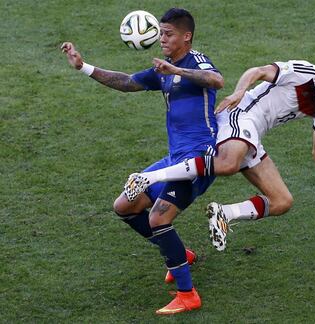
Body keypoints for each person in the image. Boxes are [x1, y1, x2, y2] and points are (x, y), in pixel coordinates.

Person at [61, 8, 223, 315]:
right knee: (124, 206)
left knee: (158, 219)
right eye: (160, 33)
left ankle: (188, 294)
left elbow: (216, 80)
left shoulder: (194, 62)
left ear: (186, 36)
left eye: (168, 34)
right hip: (175, 157)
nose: (161, 39)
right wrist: (84, 67)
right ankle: (180, 254)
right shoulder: (166, 68)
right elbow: (126, 82)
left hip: (198, 159)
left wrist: (176, 72)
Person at [127, 58, 315, 251]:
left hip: (253, 135)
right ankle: (149, 178)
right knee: (228, 163)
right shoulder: (305, 73)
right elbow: (258, 71)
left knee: (282, 201)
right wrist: (238, 93)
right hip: (240, 115)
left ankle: (225, 213)